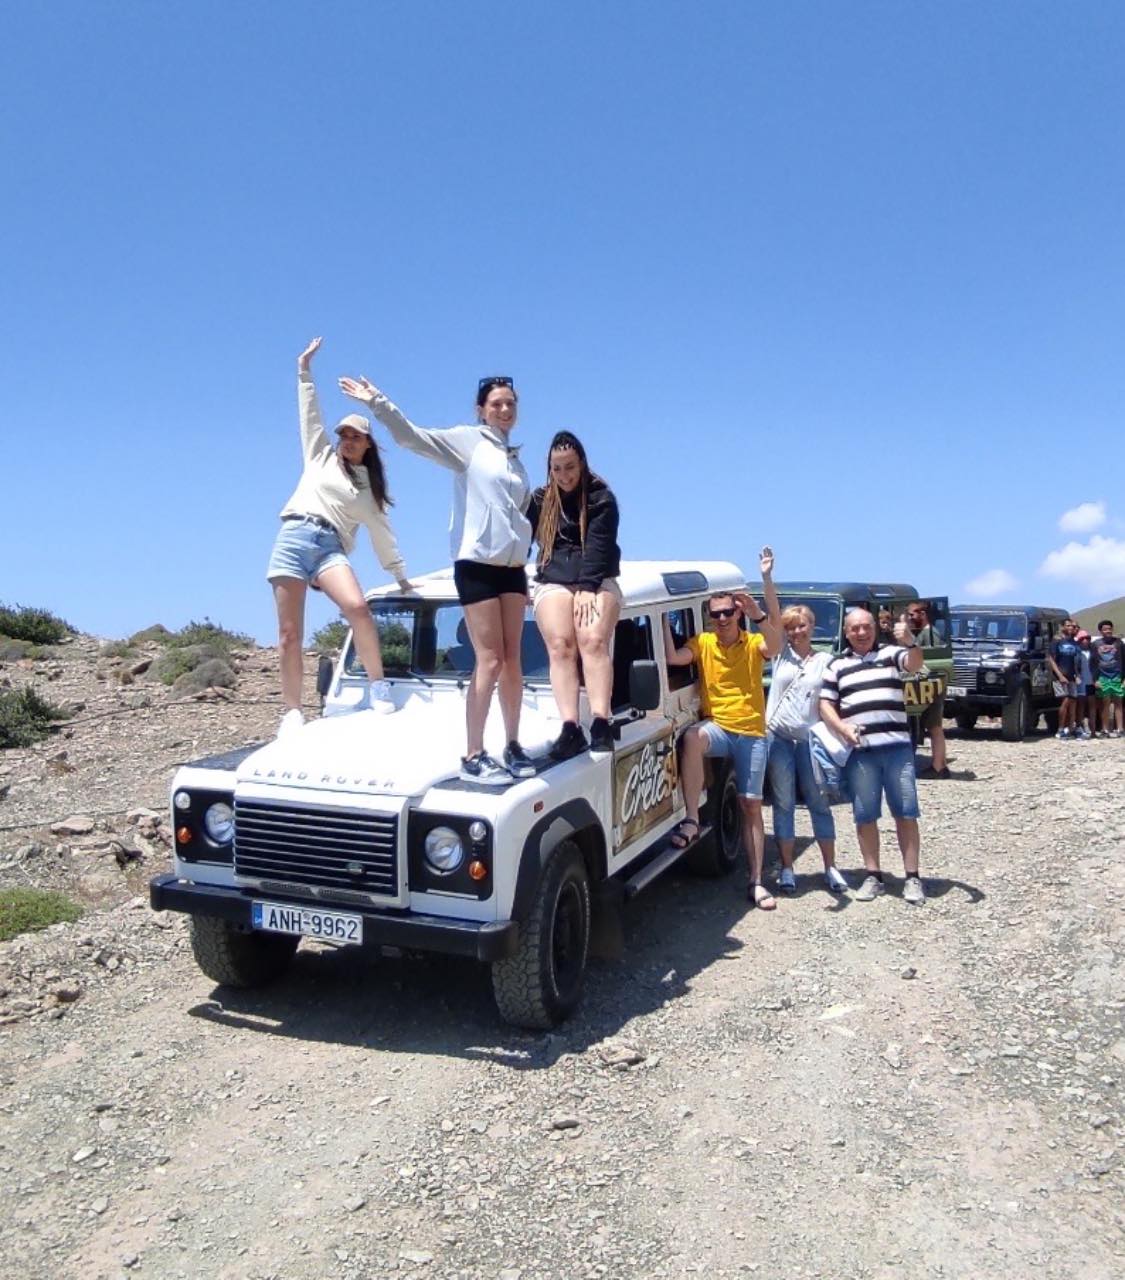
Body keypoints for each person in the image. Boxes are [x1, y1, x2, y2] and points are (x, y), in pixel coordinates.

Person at [339, 370, 535, 784]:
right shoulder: (468, 442)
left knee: (513, 659)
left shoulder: (513, 457)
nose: (504, 409)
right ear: (481, 411)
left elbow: (518, 515)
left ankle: (513, 745)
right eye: (496, 404)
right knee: (491, 658)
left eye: (510, 404)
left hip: (513, 570)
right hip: (477, 564)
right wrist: (378, 402)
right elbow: (411, 438)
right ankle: (473, 753)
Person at [267, 338, 410, 739]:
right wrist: (304, 372)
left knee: (359, 607)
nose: (346, 440)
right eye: (343, 435)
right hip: (293, 536)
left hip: (330, 546)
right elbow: (309, 417)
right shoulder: (320, 455)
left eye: (354, 436)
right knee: (289, 632)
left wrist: (399, 576)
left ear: (367, 443)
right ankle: (292, 711)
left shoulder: (370, 490)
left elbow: (383, 535)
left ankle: (378, 685)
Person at [662, 548, 783, 910]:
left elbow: (776, 643)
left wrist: (764, 588)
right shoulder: (704, 642)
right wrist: (663, 623)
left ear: (738, 613)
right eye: (715, 615)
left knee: (750, 805)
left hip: (751, 733)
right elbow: (673, 659)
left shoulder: (753, 644)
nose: (722, 619)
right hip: (718, 727)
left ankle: (757, 881)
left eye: (728, 612)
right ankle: (691, 820)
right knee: (691, 738)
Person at [819, 608, 927, 905]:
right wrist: (842, 729)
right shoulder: (836, 665)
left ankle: (912, 877)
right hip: (861, 752)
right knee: (865, 815)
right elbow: (825, 704)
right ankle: (874, 876)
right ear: (846, 632)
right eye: (855, 628)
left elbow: (916, 665)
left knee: (906, 813)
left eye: (866, 627)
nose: (862, 633)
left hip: (897, 748)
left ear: (874, 629)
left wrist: (912, 643)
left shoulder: (893, 653)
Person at [527, 432, 622, 758]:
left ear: (581, 463)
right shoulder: (540, 500)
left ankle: (600, 722)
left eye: (570, 467)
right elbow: (520, 537)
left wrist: (586, 587)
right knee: (560, 643)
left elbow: (598, 547)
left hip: (596, 578)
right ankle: (570, 727)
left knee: (592, 638)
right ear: (549, 469)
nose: (564, 475)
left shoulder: (601, 499)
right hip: (553, 578)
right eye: (557, 469)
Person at [765, 603, 847, 895]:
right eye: (790, 627)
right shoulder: (779, 655)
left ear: (812, 626)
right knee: (783, 802)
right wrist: (767, 578)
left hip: (810, 739)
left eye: (801, 625)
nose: (796, 632)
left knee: (818, 801)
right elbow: (771, 614)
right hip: (778, 737)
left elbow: (835, 698)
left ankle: (830, 867)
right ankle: (787, 868)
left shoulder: (825, 660)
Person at [907, 600, 949, 778]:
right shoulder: (924, 633)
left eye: (912, 614)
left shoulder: (931, 634)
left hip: (932, 684)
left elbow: (932, 661)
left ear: (922, 614)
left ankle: (939, 767)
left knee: (934, 727)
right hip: (926, 684)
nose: (910, 618)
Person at [1048, 618, 1083, 740]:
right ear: (1062, 627)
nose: (1071, 628)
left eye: (1073, 626)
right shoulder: (1057, 641)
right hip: (1059, 677)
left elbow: (1076, 660)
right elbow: (1051, 659)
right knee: (1065, 701)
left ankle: (1071, 729)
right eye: (1068, 626)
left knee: (1073, 701)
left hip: (1072, 676)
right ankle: (1060, 729)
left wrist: (1078, 675)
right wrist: (1060, 675)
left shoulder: (1074, 643)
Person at [1090, 619, 1125, 737]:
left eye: (1109, 629)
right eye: (1105, 629)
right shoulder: (1096, 644)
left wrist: (1124, 678)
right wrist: (1095, 680)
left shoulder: (1119, 643)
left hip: (1117, 676)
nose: (1108, 631)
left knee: (1118, 703)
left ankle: (1120, 729)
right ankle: (1105, 729)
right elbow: (1093, 663)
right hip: (1102, 676)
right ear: (1100, 631)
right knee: (1105, 704)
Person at [1075, 630, 1096, 739]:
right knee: (1081, 705)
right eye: (1082, 638)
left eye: (1087, 638)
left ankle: (1093, 730)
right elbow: (1075, 666)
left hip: (1091, 681)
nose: (1085, 640)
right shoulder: (1077, 652)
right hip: (1081, 681)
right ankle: (1079, 727)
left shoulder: (1093, 651)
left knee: (1092, 705)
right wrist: (1077, 676)